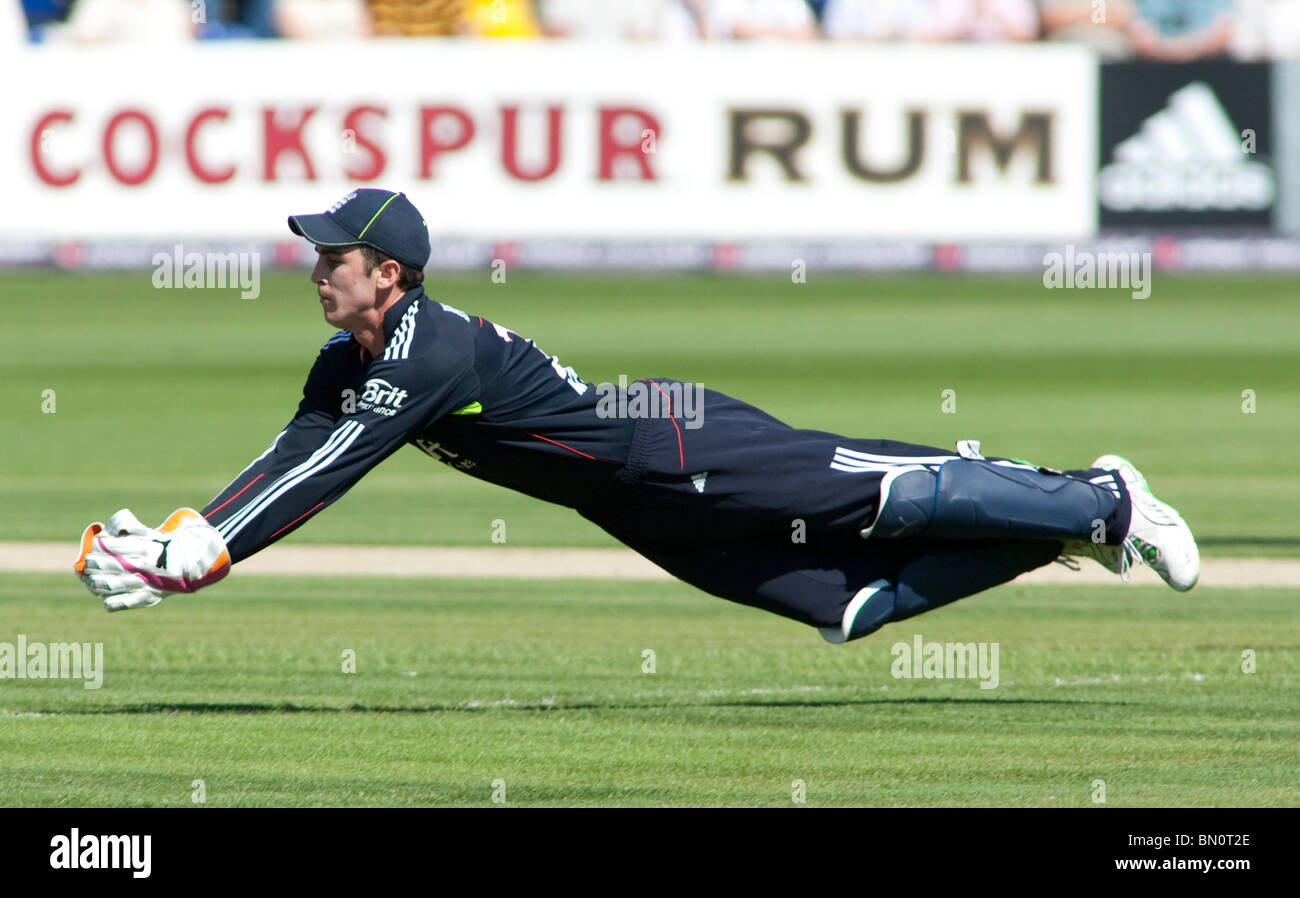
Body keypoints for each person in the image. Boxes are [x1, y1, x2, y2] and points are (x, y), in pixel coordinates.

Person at [74, 189, 1200, 644]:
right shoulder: (350, 356)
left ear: (394, 272)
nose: (319, 269)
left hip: (665, 433)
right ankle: (1054, 530)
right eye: (317, 255)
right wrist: (200, 532)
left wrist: (208, 554)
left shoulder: (430, 348)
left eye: (338, 256)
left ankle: (1103, 496)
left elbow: (335, 468)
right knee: (848, 605)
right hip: (624, 498)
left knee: (886, 491)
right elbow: (295, 450)